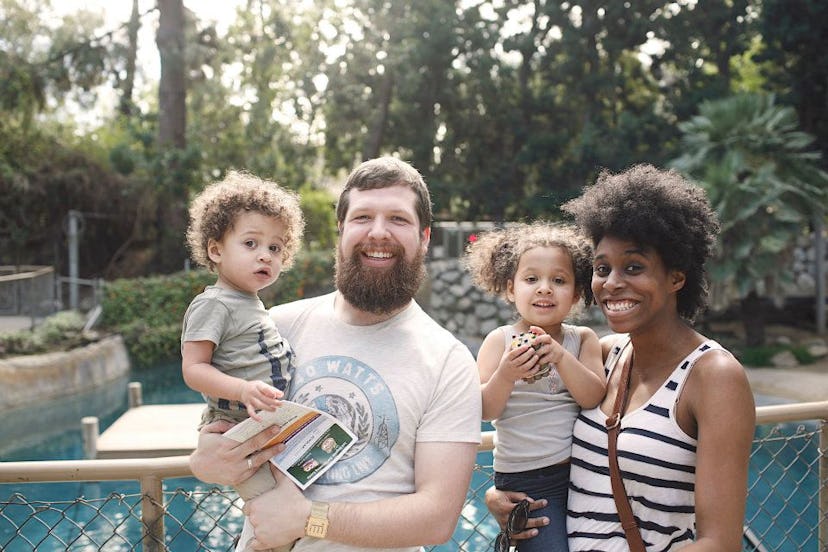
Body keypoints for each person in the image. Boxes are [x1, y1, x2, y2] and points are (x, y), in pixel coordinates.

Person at [188, 157, 483, 552]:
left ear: (425, 236)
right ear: (341, 229)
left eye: (398, 219)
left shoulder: (449, 362)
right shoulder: (278, 326)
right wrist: (204, 460)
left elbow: (436, 518)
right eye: (363, 217)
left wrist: (308, 519)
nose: (378, 233)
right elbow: (221, 422)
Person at [486, 164, 755, 550]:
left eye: (633, 267)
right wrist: (501, 496)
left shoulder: (714, 376)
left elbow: (719, 543)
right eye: (601, 268)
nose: (612, 283)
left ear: (677, 277)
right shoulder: (605, 354)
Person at [181, 170, 305, 552]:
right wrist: (243, 389)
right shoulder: (213, 303)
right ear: (216, 250)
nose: (265, 255)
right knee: (271, 514)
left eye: (276, 247)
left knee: (292, 505)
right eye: (251, 243)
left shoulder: (251, 303)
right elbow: (193, 369)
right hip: (236, 429)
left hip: (265, 423)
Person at [463, 222, 605, 551]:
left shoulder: (581, 339)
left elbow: (593, 397)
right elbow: (484, 410)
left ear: (577, 294)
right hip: (526, 482)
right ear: (511, 289)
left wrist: (560, 357)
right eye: (531, 279)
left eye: (559, 280)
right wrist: (506, 374)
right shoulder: (500, 341)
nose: (544, 288)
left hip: (582, 473)